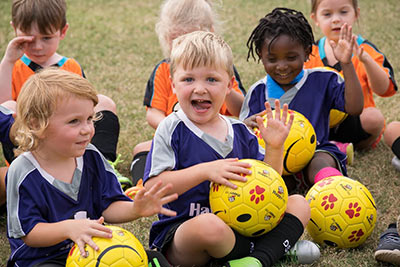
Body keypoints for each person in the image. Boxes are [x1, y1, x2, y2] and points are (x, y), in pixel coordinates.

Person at [143, 30, 320, 267]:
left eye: (212, 79)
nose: (200, 89)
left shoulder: (240, 131)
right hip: (187, 233)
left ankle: (255, 261)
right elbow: (154, 187)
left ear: (229, 85)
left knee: (298, 203)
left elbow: (268, 186)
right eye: (188, 79)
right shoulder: (171, 128)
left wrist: (275, 147)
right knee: (210, 225)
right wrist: (205, 171)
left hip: (245, 227)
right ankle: (273, 250)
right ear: (173, 84)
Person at [6, 68, 178, 267]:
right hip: (44, 259)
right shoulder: (24, 171)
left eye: (89, 118)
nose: (87, 129)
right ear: (37, 124)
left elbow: (108, 206)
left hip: (93, 250)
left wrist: (135, 209)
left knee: (153, 260)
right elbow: (29, 233)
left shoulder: (91, 155)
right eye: (74, 121)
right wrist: (69, 229)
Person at [0, 0, 131, 188]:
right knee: (9, 107)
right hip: (30, 147)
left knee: (103, 102)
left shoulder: (70, 67)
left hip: (69, 141)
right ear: (15, 29)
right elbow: (2, 110)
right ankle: (30, 171)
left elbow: (85, 108)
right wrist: (8, 61)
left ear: (62, 31)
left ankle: (103, 165)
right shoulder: (13, 67)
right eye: (28, 38)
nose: (37, 46)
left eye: (46, 38)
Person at [240, 8, 363, 191]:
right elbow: (244, 140)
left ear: (306, 53)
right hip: (275, 161)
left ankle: (334, 193)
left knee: (321, 162)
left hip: (316, 152)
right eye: (272, 59)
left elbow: (355, 108)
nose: (282, 66)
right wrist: (246, 126)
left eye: (291, 58)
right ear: (260, 56)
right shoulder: (257, 92)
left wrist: (346, 63)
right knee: (275, 182)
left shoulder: (323, 79)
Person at [130, 0, 246, 186]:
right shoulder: (163, 70)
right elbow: (153, 112)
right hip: (176, 143)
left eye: (211, 79)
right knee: (142, 149)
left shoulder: (221, 69)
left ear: (210, 33)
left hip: (218, 138)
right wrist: (177, 129)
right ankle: (141, 187)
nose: (200, 88)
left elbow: (242, 110)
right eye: (177, 40)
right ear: (166, 38)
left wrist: (225, 89)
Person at [305, 0, 397, 153]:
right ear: (315, 19)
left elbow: (384, 89)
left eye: (343, 12)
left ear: (356, 14)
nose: (336, 19)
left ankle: (357, 146)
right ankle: (333, 147)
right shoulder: (309, 54)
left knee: (375, 118)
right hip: (320, 122)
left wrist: (366, 60)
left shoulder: (365, 50)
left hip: (355, 120)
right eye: (327, 14)